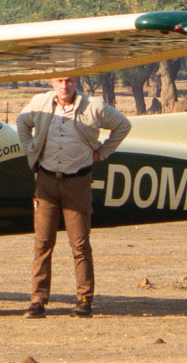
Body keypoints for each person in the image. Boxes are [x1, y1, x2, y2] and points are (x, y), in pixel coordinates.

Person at [15, 75, 131, 318]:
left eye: (69, 81)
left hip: (78, 181)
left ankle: (85, 299)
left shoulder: (95, 106)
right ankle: (37, 301)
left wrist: (103, 153)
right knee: (42, 244)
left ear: (76, 81)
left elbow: (123, 125)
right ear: (51, 82)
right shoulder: (39, 102)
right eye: (59, 80)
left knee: (79, 243)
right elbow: (22, 122)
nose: (64, 86)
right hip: (46, 181)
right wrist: (31, 149)